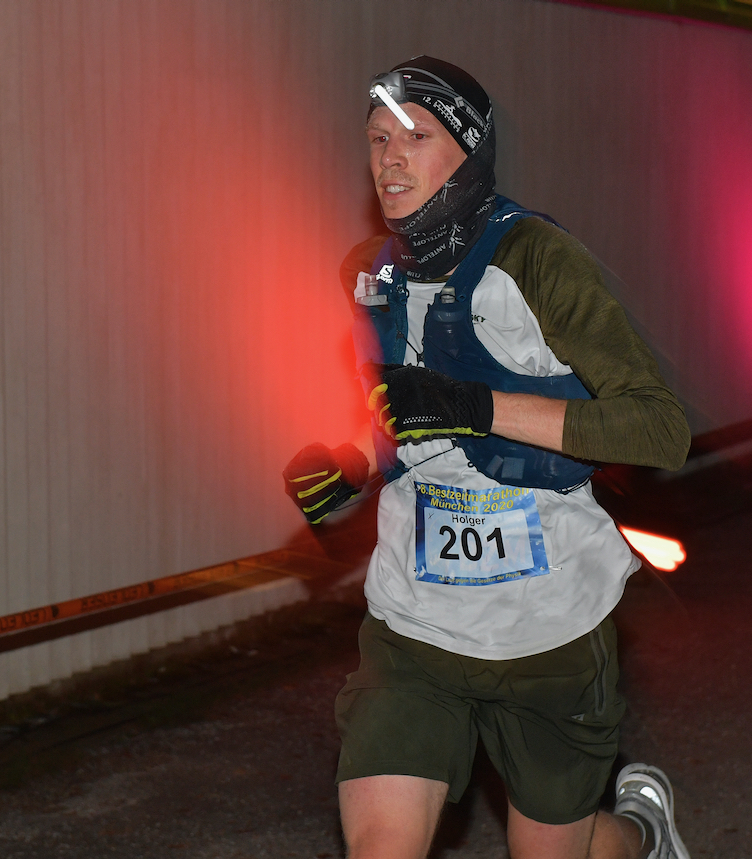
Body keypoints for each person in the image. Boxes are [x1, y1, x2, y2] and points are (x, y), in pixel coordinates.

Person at [282, 56, 692, 859]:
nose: (389, 157)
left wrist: (480, 408)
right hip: (417, 624)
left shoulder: (538, 261)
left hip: (549, 629)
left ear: (468, 151)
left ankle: (642, 837)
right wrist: (345, 480)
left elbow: (657, 430)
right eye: (375, 140)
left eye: (416, 136)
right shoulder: (375, 276)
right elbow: (399, 428)